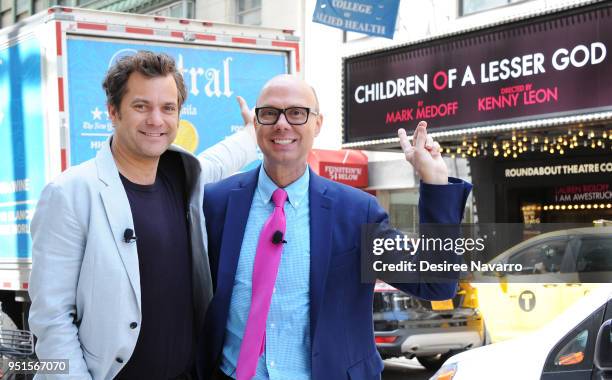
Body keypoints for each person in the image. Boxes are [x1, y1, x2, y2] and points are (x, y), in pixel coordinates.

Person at [200, 74, 473, 380]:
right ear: (256, 125)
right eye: (269, 113)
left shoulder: (356, 212)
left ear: (317, 124)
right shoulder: (217, 203)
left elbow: (435, 283)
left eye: (296, 113)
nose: (282, 124)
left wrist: (435, 182)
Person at [28, 51, 258, 380]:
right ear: (113, 112)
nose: (156, 120)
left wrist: (251, 135)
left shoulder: (183, 178)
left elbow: (219, 161)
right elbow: (52, 318)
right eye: (141, 106)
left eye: (168, 108)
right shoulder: (71, 193)